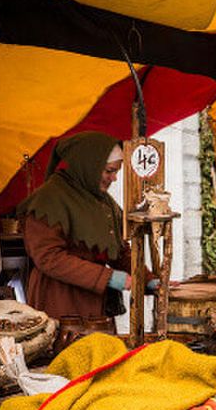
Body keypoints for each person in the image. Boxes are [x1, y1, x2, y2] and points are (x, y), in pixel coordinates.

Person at [18, 131, 153, 323]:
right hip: (60, 302)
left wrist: (147, 279)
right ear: (89, 166)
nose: (114, 178)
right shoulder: (48, 200)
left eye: (116, 171)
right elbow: (48, 257)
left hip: (95, 304)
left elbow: (118, 250)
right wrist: (107, 277)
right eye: (109, 171)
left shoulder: (102, 201)